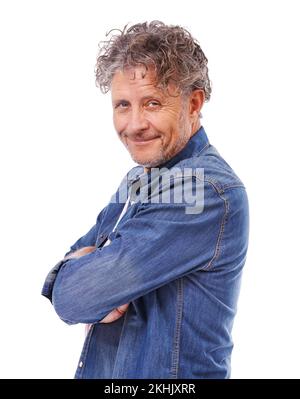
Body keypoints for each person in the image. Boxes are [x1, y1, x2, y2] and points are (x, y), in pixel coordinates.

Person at [42, 21, 249, 379]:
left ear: (194, 103)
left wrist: (95, 275)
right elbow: (67, 288)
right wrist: (83, 270)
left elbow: (77, 297)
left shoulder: (203, 191)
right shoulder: (140, 177)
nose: (134, 124)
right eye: (123, 105)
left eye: (152, 103)